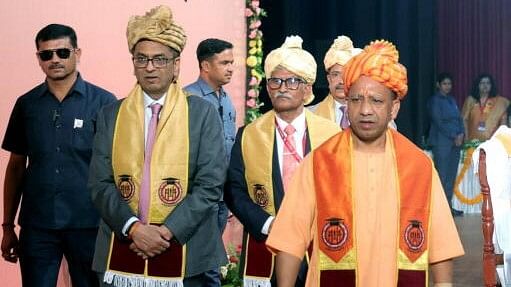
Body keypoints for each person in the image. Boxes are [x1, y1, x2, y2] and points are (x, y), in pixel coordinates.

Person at [266, 40, 464, 287]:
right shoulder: (320, 163)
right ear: (347, 104)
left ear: (394, 108)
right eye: (356, 99)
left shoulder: (418, 166)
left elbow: (441, 245)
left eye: (377, 101)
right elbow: (289, 240)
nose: (365, 110)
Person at [88, 5, 227, 286]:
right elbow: (99, 183)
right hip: (123, 244)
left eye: (160, 59)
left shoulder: (201, 113)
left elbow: (210, 184)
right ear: (133, 63)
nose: (150, 67)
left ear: (176, 65)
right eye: (142, 59)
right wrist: (134, 229)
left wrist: (165, 232)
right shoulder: (111, 115)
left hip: (187, 249)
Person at [1, 24, 116, 287]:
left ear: (78, 52)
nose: (54, 59)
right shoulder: (27, 104)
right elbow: (16, 167)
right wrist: (7, 226)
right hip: (38, 226)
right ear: (38, 58)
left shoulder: (104, 102)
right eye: (46, 54)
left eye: (63, 52)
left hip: (89, 223)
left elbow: (117, 167)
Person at [225, 35, 340, 287]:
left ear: (308, 89)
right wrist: (268, 224)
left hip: (318, 241)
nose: (283, 87)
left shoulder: (332, 135)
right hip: (266, 242)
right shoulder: (249, 134)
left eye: (292, 81)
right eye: (275, 81)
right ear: (267, 87)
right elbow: (234, 190)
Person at [184, 38, 236, 286]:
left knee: (213, 262)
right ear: (205, 65)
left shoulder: (226, 100)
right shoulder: (188, 99)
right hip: (198, 197)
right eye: (224, 62)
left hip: (222, 195)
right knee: (200, 266)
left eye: (232, 62)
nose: (230, 68)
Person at [428, 73, 464, 216]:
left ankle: (448, 208)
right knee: (442, 176)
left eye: (449, 84)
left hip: (456, 143)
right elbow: (439, 122)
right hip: (442, 142)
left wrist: (461, 133)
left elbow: (459, 119)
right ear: (438, 85)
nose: (447, 86)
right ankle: (440, 211)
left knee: (451, 176)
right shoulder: (434, 101)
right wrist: (453, 135)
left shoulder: (452, 100)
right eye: (444, 84)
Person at [309, 35, 361, 129]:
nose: (341, 81)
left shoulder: (372, 115)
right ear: (329, 79)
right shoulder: (310, 115)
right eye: (335, 74)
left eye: (346, 75)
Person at [462, 73, 509, 141]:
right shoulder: (470, 100)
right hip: (471, 140)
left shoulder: (499, 102)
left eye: (488, 83)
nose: (485, 85)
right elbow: (464, 120)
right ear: (477, 85)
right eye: (482, 83)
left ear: (491, 85)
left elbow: (503, 123)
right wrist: (465, 137)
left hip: (492, 142)